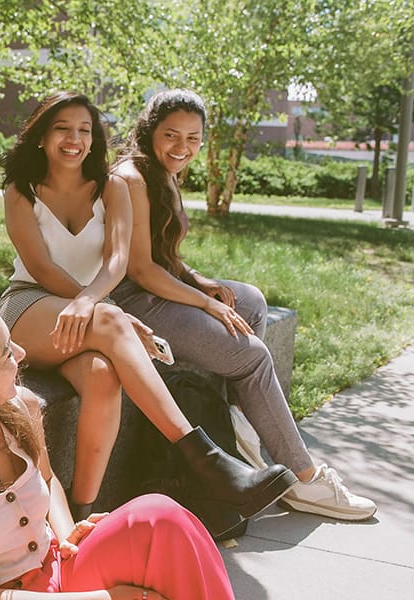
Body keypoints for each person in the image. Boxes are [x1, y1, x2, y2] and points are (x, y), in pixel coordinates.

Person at [0, 91, 297, 532]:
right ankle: (210, 463)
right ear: (41, 135)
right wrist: (95, 306)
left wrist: (94, 303)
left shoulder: (112, 186)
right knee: (113, 323)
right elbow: (40, 267)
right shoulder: (20, 190)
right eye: (62, 128)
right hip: (31, 305)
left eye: (85, 130)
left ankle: (82, 517)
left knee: (102, 376)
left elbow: (118, 263)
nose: (74, 139)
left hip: (92, 309)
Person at [108, 88, 376, 521]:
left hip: (153, 289)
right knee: (251, 356)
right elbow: (140, 269)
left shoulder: (162, 173)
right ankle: (303, 478)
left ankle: (240, 432)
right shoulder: (131, 178)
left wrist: (200, 280)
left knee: (248, 301)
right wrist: (204, 303)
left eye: (193, 138)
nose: (182, 148)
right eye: (171, 135)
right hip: (128, 303)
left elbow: (163, 256)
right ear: (149, 131)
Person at [0, 289, 236, 600]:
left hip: (58, 568)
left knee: (162, 518)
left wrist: (67, 535)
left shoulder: (20, 407)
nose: (20, 353)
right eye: (4, 351)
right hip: (3, 596)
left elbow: (47, 480)